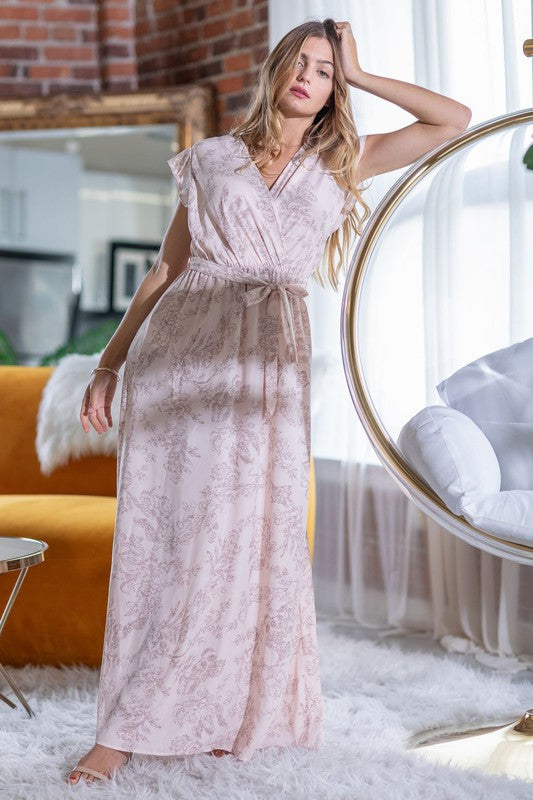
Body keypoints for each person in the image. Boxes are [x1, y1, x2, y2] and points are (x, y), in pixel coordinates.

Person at [67, 17, 470, 784]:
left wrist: (362, 69)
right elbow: (161, 272)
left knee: (252, 541)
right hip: (185, 357)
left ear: (332, 89)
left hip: (267, 370)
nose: (308, 77)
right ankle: (124, 725)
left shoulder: (344, 160)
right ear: (276, 68)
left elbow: (452, 120)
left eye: (324, 71)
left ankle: (227, 709)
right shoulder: (212, 160)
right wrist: (108, 365)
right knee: (175, 542)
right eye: (301, 62)